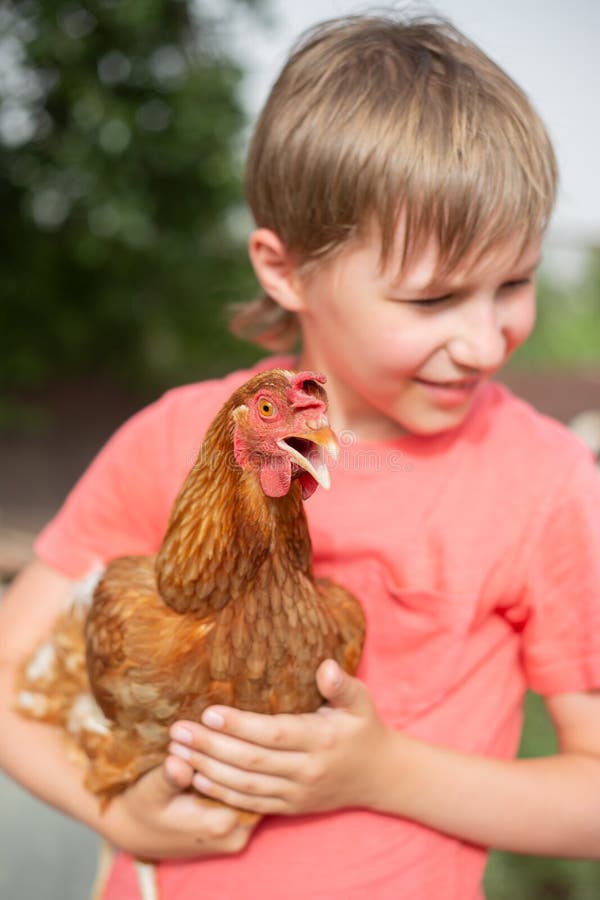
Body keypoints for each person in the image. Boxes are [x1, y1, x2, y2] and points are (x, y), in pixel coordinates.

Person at [1, 12, 600, 900]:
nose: (485, 340)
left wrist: (385, 771)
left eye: (513, 283)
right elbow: (8, 688)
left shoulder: (543, 483)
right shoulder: (177, 440)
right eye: (432, 298)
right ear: (285, 272)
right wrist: (118, 817)